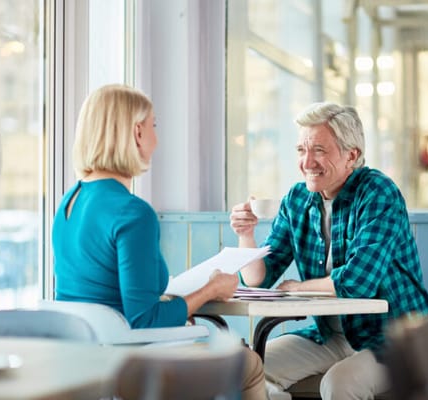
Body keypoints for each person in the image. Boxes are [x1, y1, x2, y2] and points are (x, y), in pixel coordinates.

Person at [52, 84, 268, 400]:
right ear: (138, 133)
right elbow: (143, 320)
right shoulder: (132, 212)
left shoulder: (68, 202)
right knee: (248, 363)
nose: (156, 137)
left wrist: (178, 305)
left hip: (87, 360)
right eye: (154, 125)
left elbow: (102, 293)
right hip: (132, 363)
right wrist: (211, 290)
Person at [229, 102, 428, 400]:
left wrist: (299, 288)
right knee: (243, 371)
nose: (307, 162)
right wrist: (245, 235)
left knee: (339, 384)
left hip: (397, 337)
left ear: (352, 155)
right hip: (332, 336)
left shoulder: (378, 193)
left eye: (319, 150)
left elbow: (356, 283)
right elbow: (258, 280)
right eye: (301, 150)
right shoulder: (297, 199)